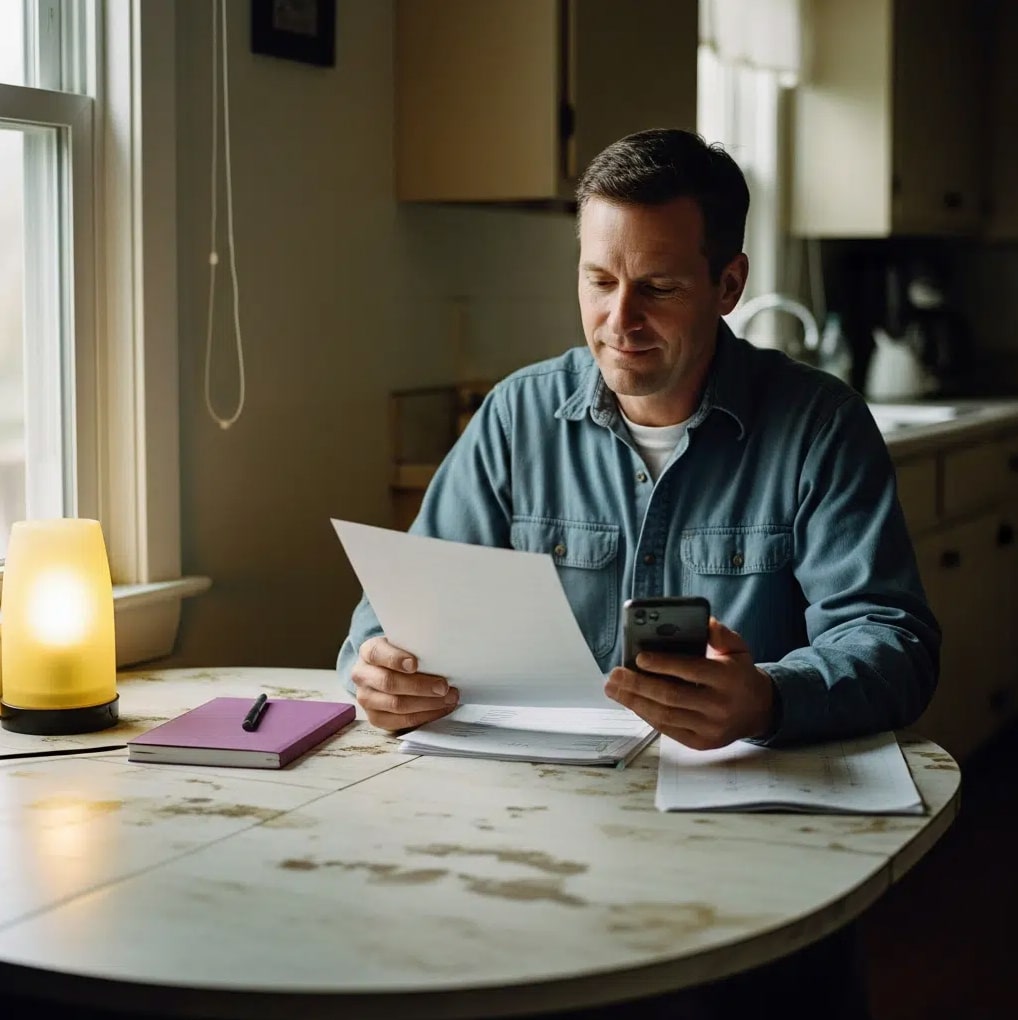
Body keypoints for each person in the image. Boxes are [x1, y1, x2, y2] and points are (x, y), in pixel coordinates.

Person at [337, 128, 940, 751]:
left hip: (744, 808)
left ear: (729, 286)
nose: (620, 321)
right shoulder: (517, 416)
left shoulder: (821, 426)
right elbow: (394, 618)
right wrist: (381, 671)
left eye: (657, 288)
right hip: (548, 799)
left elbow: (894, 645)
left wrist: (769, 699)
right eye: (600, 281)